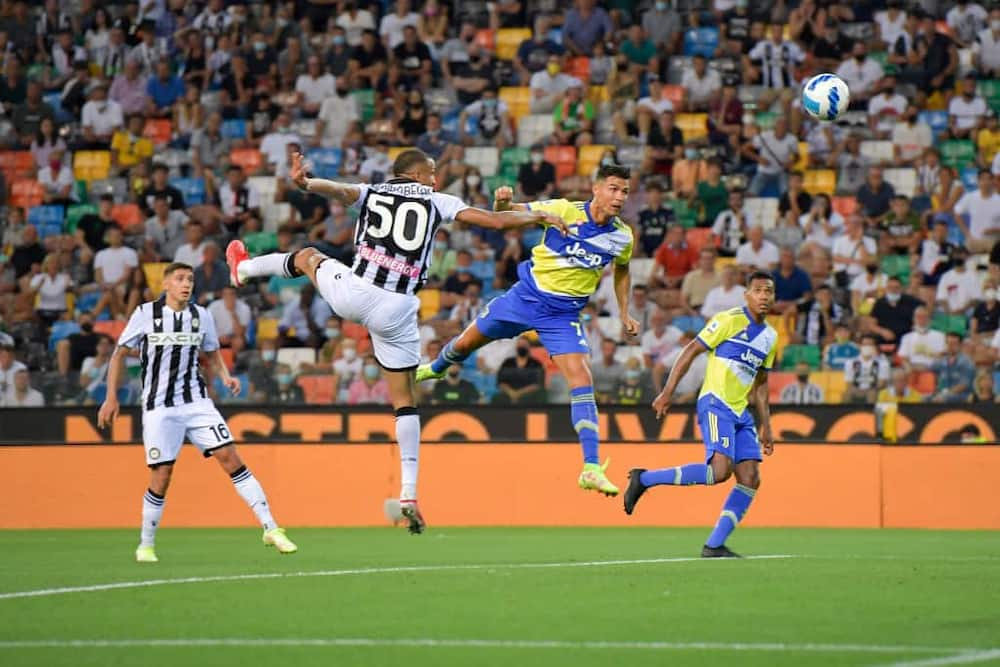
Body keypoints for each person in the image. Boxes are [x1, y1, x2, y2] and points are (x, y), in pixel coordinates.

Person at [228, 149, 564, 533]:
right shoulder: (438, 201)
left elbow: (337, 191)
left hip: (355, 293)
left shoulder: (372, 192)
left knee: (307, 256)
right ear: (416, 174)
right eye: (432, 172)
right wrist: (538, 215)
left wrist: (306, 183)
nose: (435, 179)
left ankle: (245, 269)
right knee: (405, 401)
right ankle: (408, 493)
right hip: (398, 309)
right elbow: (494, 221)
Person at [418, 164, 639, 498]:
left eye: (624, 191)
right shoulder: (562, 209)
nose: (619, 196)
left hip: (563, 315)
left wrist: (624, 312)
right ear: (595, 188)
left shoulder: (623, 236)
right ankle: (435, 369)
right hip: (524, 298)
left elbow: (622, 271)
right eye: (613, 188)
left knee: (581, 379)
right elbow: (505, 216)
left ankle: (591, 468)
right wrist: (503, 201)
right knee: (465, 344)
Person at [97, 263, 297, 563]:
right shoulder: (145, 314)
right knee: (162, 475)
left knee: (230, 457)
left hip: (197, 403)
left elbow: (212, 351)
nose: (186, 284)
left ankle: (271, 527)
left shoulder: (201, 316)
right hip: (159, 407)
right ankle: (146, 544)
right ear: (165, 285)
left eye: (190, 279)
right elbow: (119, 355)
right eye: (179, 279)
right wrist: (110, 398)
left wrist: (226, 375)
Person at [624, 271, 778, 558]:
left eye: (769, 291)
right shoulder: (728, 320)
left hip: (742, 412)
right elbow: (691, 351)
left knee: (750, 477)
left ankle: (715, 545)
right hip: (715, 403)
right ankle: (644, 479)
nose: (764, 296)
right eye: (758, 290)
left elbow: (760, 383)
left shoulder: (770, 336)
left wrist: (766, 425)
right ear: (746, 295)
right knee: (719, 472)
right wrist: (668, 391)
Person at [931, 332, 976, 403]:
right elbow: (931, 370)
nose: (950, 346)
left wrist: (945, 394)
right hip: (943, 393)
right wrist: (937, 357)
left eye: (954, 344)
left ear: (960, 345)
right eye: (948, 343)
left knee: (943, 399)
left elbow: (963, 385)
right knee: (924, 398)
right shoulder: (942, 360)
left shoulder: (966, 362)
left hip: (962, 395)